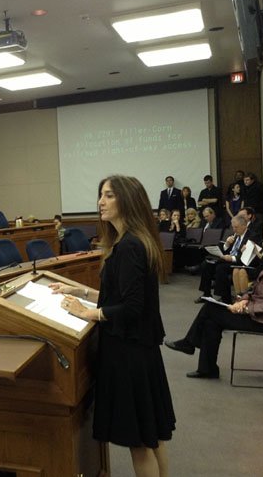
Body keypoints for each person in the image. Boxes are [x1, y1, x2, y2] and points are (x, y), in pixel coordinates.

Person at [50, 175, 175, 476]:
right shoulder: (129, 240)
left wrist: (88, 313)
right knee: (152, 435)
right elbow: (120, 295)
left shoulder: (130, 245)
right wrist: (82, 292)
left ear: (126, 200)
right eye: (100, 195)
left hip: (128, 354)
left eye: (108, 196)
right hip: (140, 352)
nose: (100, 202)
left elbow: (132, 308)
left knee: (139, 443)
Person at [166, 234, 263, 379]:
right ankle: (207, 368)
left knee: (210, 309)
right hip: (257, 314)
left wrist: (245, 309)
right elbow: (253, 289)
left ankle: (189, 344)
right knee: (210, 322)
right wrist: (244, 300)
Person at [195, 215, 254, 304]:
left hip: (238, 262)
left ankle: (225, 298)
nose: (234, 229)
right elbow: (225, 249)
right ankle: (206, 294)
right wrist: (226, 244)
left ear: (244, 226)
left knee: (221, 268)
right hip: (227, 259)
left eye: (236, 227)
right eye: (233, 227)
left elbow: (246, 255)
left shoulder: (251, 237)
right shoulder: (235, 234)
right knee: (206, 264)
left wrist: (232, 258)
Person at [232, 221, 263, 296]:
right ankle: (238, 296)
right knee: (236, 270)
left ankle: (244, 298)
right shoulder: (262, 243)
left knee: (242, 271)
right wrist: (244, 251)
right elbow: (253, 260)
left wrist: (257, 253)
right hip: (257, 267)